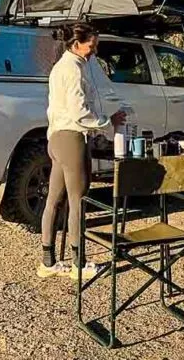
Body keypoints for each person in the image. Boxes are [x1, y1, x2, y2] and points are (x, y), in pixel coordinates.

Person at [38, 22, 127, 280]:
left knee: (54, 201)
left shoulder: (60, 68)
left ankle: (48, 261)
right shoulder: (73, 69)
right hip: (72, 138)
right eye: (92, 45)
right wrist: (107, 123)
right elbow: (79, 112)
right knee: (79, 200)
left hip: (55, 137)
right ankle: (79, 263)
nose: (94, 50)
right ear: (77, 44)